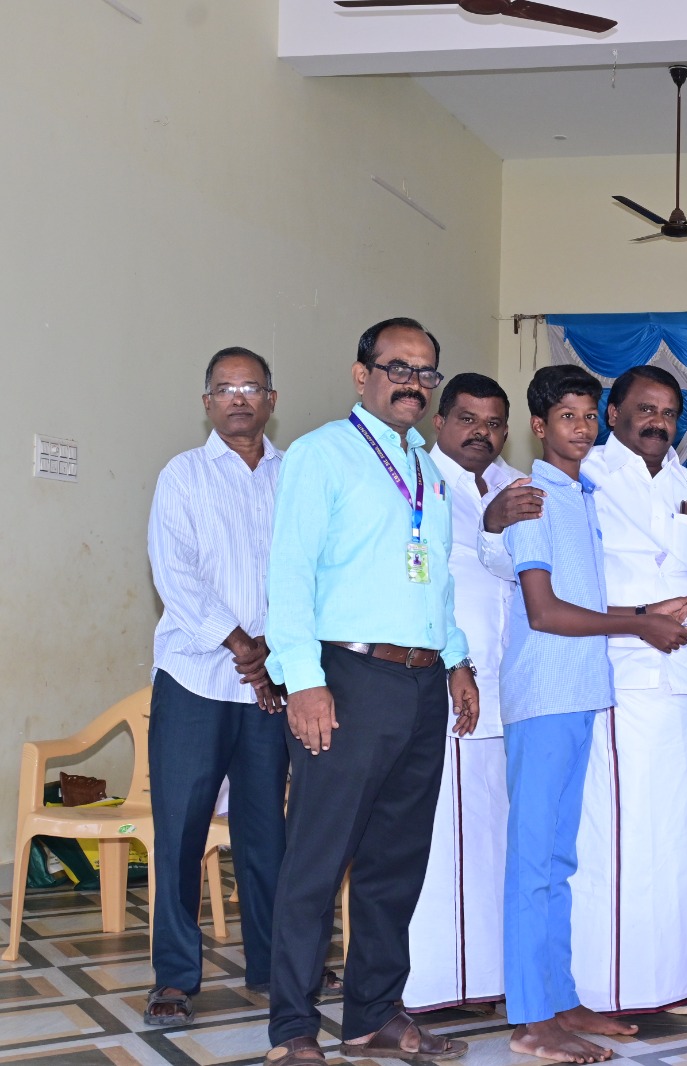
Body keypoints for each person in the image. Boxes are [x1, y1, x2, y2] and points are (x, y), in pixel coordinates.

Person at [263, 318, 480, 1066]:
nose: (413, 383)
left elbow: (436, 576)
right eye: (398, 368)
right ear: (363, 375)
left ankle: (372, 1016)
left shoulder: (426, 468)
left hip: (421, 682)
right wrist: (304, 681)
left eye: (425, 372)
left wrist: (457, 661)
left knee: (396, 861)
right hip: (348, 678)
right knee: (317, 861)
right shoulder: (321, 454)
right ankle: (293, 1028)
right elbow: (289, 572)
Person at [498, 364, 687, 1062]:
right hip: (543, 693)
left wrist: (649, 610)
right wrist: (641, 623)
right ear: (539, 425)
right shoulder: (530, 499)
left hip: (583, 691)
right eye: (567, 418)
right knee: (533, 863)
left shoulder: (581, 493)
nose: (581, 429)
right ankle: (531, 1020)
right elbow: (545, 612)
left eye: (588, 416)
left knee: (560, 858)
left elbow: (584, 599)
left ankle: (560, 998)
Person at [567, 365, 687, 1014]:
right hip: (615, 674)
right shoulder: (585, 475)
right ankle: (606, 988)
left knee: (677, 832)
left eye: (669, 412)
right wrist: (640, 615)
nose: (659, 421)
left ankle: (673, 981)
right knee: (616, 835)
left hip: (678, 680)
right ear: (613, 413)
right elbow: (565, 586)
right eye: (645, 409)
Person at [145, 347, 290, 1026]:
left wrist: (275, 654)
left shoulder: (294, 477)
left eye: (251, 387)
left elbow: (308, 572)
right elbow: (174, 574)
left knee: (267, 835)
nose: (238, 398)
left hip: (269, 688)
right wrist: (241, 644)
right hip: (195, 680)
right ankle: (174, 978)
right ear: (207, 402)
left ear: (271, 400)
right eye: (225, 388)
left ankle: (274, 965)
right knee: (180, 833)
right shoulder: (183, 475)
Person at [403, 373, 523, 1013]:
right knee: (439, 836)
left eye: (495, 423)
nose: (483, 432)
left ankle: (487, 976)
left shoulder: (514, 486)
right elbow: (420, 580)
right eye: (469, 419)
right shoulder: (417, 481)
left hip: (512, 687)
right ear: (441, 422)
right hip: (448, 679)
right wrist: (458, 662)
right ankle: (432, 984)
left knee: (493, 834)